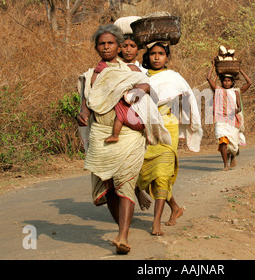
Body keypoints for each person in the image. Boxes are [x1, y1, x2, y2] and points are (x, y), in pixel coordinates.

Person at [76, 24, 160, 254]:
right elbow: (85, 105)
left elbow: (150, 90)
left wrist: (139, 92)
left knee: (125, 181)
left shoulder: (131, 72)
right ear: (96, 47)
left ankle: (122, 236)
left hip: (129, 136)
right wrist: (82, 114)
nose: (106, 47)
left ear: (118, 46)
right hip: (101, 134)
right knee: (109, 185)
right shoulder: (89, 76)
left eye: (110, 43)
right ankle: (123, 228)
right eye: (101, 43)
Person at [137, 41, 203, 236]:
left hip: (167, 127)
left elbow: (189, 99)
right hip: (144, 128)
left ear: (167, 57)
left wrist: (192, 123)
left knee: (162, 174)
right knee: (147, 172)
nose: (156, 57)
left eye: (160, 53)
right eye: (152, 54)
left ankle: (156, 222)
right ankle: (175, 207)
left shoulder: (174, 78)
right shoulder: (139, 75)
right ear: (147, 56)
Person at [207, 61, 252, 170]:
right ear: (222, 82)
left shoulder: (236, 91)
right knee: (222, 141)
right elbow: (209, 79)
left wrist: (240, 70)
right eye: (225, 81)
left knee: (233, 145)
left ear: (232, 82)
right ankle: (225, 165)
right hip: (220, 120)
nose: (226, 83)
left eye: (228, 81)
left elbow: (249, 83)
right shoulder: (218, 90)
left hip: (232, 120)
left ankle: (232, 156)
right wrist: (215, 68)